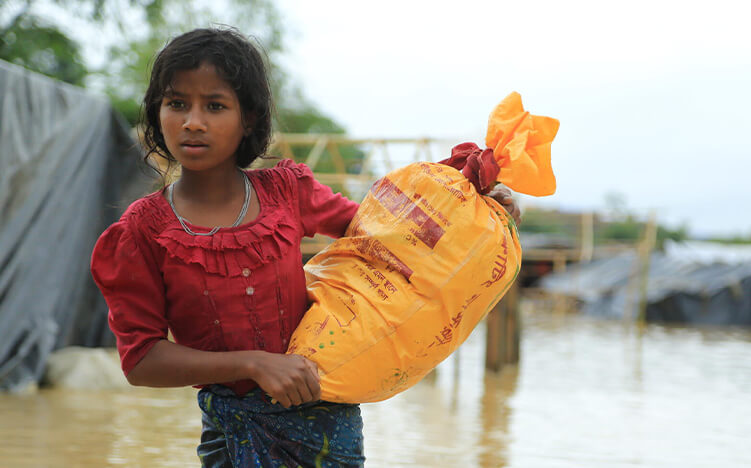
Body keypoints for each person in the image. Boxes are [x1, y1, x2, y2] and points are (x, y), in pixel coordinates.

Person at [91, 27, 520, 468]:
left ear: (249, 118)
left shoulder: (287, 191)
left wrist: (481, 212)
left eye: (215, 106)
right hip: (232, 433)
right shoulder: (142, 231)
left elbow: (389, 237)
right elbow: (142, 361)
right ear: (157, 111)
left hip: (327, 425)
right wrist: (253, 364)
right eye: (176, 103)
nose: (193, 122)